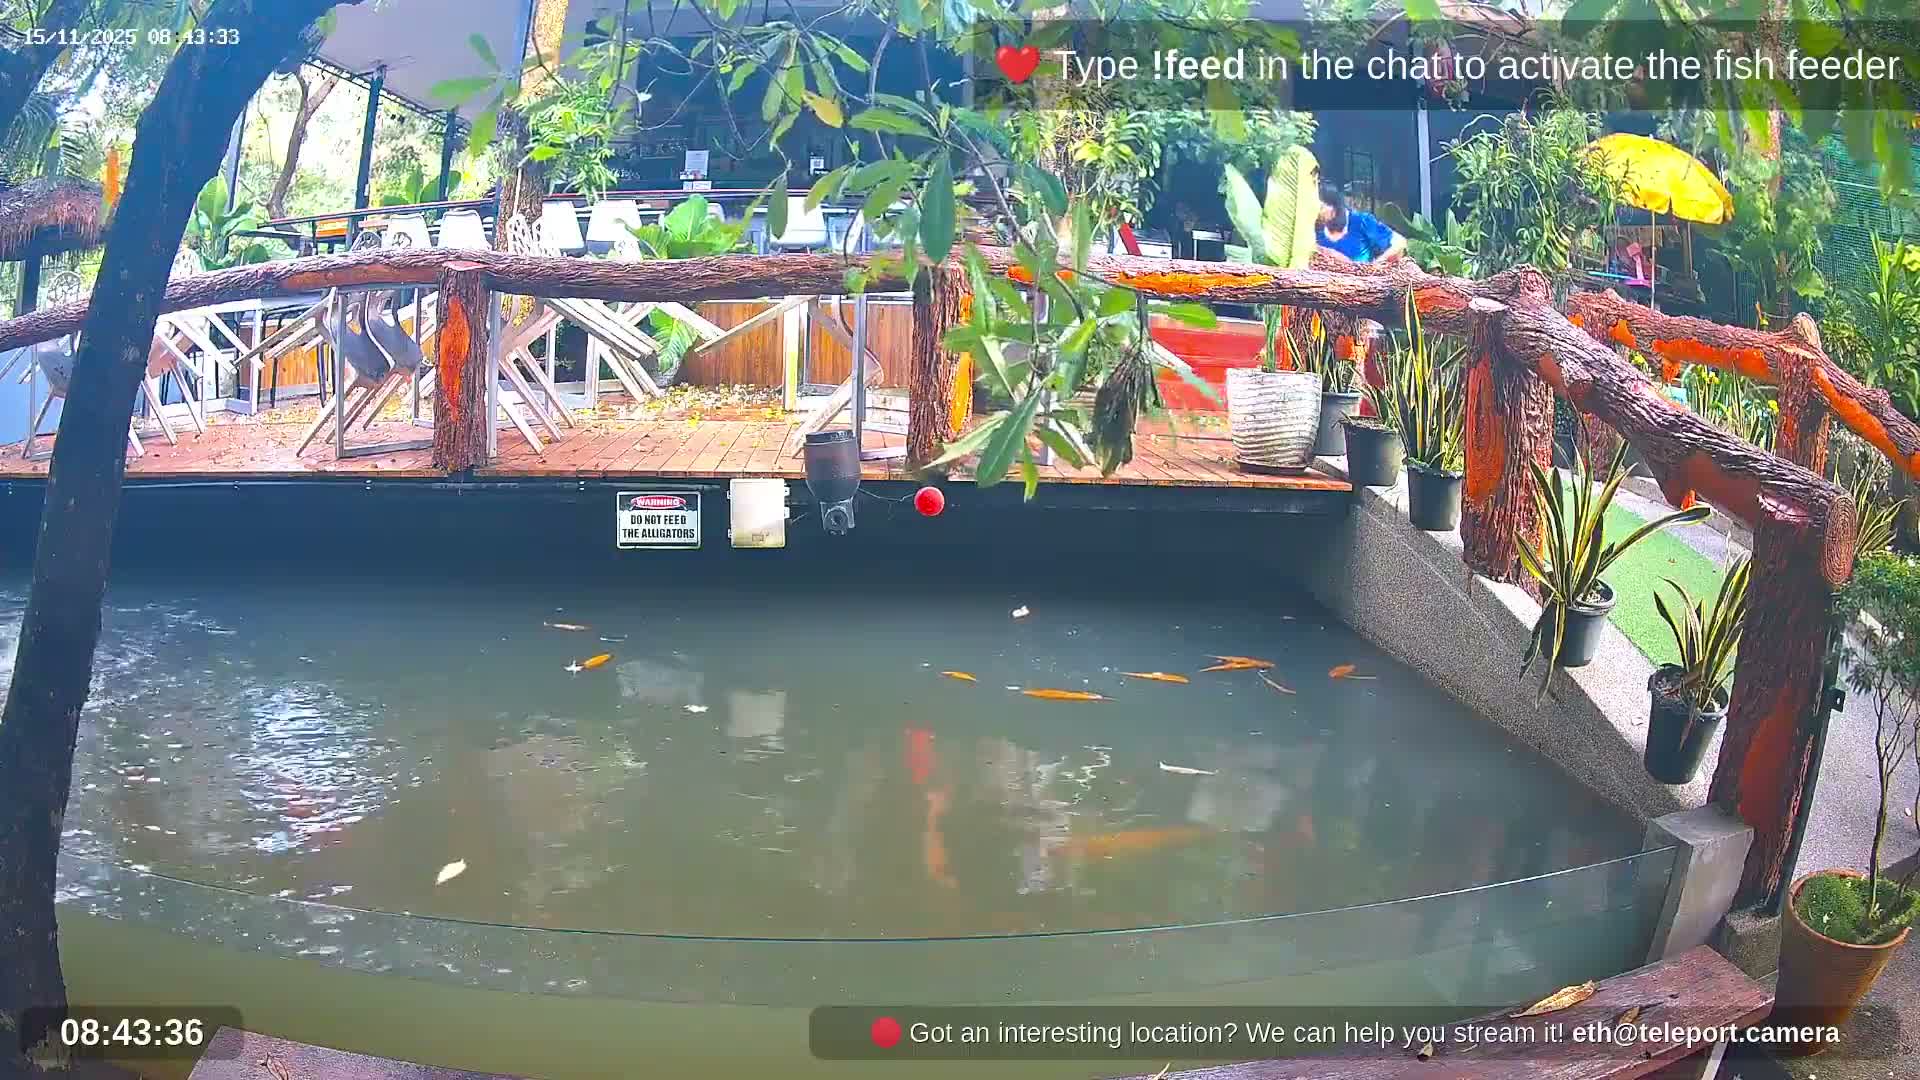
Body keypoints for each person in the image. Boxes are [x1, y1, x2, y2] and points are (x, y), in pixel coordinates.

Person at [1316, 185, 1406, 265]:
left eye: (1320, 208)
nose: (1316, 212)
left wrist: (1375, 265)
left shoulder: (1361, 221)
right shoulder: (1313, 228)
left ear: (1333, 206)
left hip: (1361, 281)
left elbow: (1399, 243)